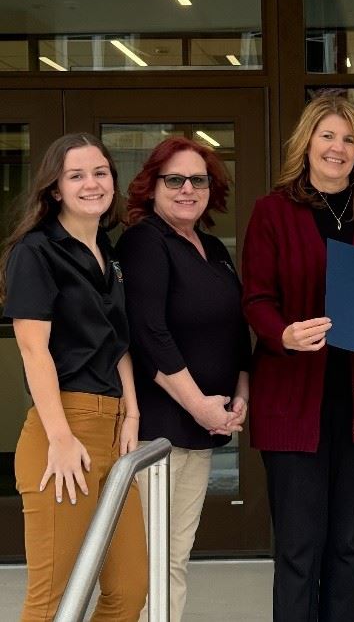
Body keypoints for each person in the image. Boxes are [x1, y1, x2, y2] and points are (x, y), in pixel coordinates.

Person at [242, 94, 354, 621]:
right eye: (327, 136)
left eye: (349, 139)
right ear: (306, 143)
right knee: (298, 549)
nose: (337, 148)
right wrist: (282, 334)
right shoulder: (273, 211)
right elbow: (256, 297)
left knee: (349, 547)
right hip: (294, 401)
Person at [0, 133, 147, 621]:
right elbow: (32, 348)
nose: (92, 183)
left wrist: (133, 411)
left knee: (128, 591)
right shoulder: (36, 252)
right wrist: (60, 437)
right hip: (63, 431)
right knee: (53, 600)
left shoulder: (108, 251)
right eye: (76, 175)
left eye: (100, 172)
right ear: (55, 188)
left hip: (112, 429)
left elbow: (118, 342)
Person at [116, 136, 250, 622]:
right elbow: (149, 333)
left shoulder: (212, 247)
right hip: (159, 430)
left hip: (199, 429)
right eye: (174, 179)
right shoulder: (143, 241)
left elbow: (235, 327)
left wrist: (240, 395)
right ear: (152, 187)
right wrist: (200, 405)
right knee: (149, 560)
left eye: (199, 180)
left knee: (173, 556)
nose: (187, 188)